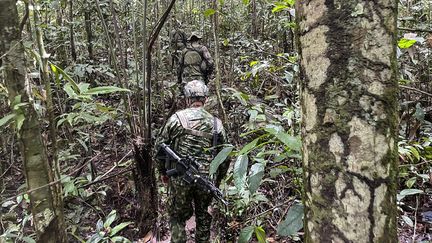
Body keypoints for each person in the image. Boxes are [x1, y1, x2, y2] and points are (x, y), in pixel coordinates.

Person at [155, 80, 229, 243]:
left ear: (187, 99)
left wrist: (163, 173)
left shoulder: (176, 119)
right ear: (205, 99)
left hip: (181, 179)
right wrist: (219, 178)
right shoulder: (217, 124)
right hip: (206, 179)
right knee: (203, 217)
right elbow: (225, 156)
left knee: (177, 216)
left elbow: (159, 149)